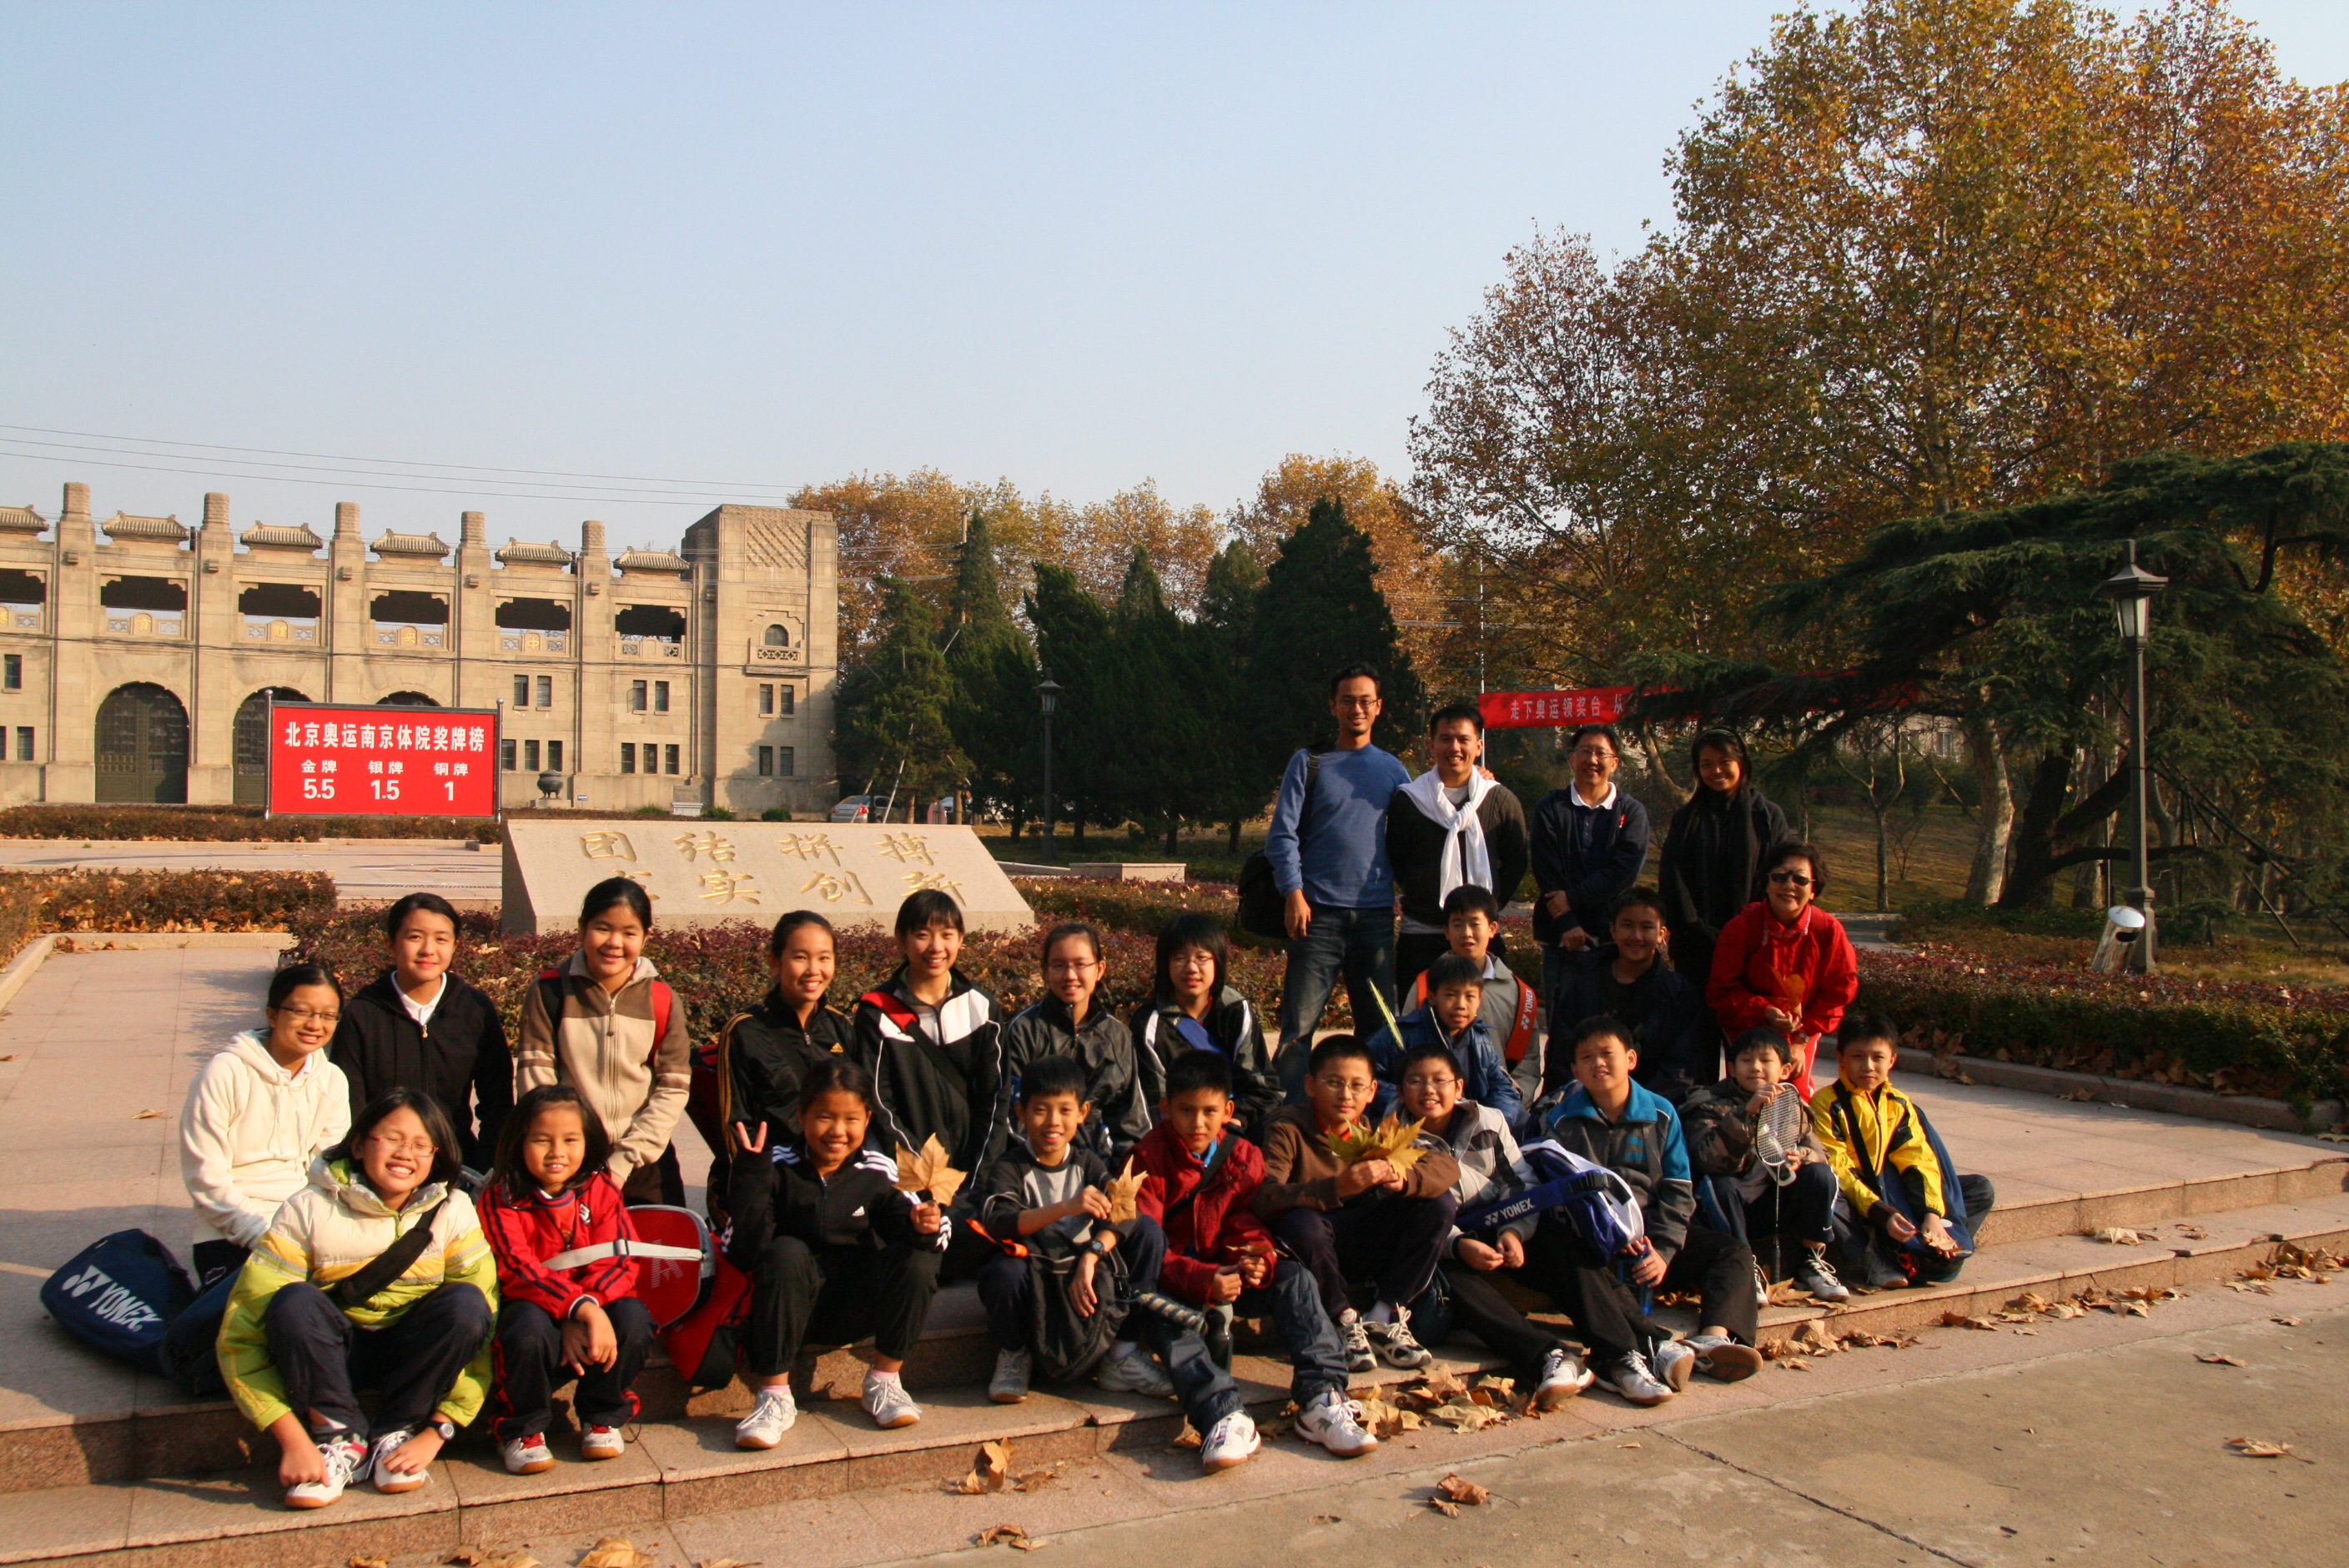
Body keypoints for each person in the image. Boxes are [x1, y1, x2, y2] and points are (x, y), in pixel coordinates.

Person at [216, 1089, 496, 1510]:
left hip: (411, 1355)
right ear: (361, 1142)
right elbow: (243, 1335)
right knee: (294, 1303)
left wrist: (437, 1432)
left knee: (468, 1305)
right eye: (392, 1139)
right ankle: (336, 1437)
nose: (406, 1154)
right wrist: (291, 1438)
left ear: (436, 1156)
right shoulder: (307, 1208)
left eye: (421, 1145)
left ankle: (394, 1433)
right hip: (333, 1351)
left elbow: (483, 1328)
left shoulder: (454, 1209)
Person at [1129, 1051, 1377, 1465]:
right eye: (1186, 1111)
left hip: (1231, 1273)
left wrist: (1255, 1256)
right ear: (1165, 1107)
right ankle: (1222, 1416)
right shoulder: (1146, 1159)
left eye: (1210, 1111)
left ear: (1228, 1110)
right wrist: (1202, 1278)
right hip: (1175, 1281)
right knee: (1164, 1317)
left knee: (1294, 1277)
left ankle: (1322, 1398)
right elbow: (1144, 1246)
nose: (1198, 1123)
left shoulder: (1243, 1155)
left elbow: (1245, 1216)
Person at [1531, 1018, 1763, 1407]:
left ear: (1632, 1059)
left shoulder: (1661, 1113)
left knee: (1731, 1253)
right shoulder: (1560, 1120)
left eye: (1608, 1054)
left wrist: (1664, 1250)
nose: (1598, 1064)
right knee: (1575, 1259)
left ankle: (1714, 1340)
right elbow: (1556, 1194)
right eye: (1586, 1058)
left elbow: (1678, 1188)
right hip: (1598, 1242)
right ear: (1574, 1070)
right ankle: (1644, 1349)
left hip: (1652, 1238)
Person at [725, 1058, 948, 1447]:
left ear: (867, 1119)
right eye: (825, 1117)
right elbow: (739, 1250)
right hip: (786, 1307)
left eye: (851, 1120)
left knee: (920, 1255)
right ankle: (775, 1396)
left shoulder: (878, 1170)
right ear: (801, 1116)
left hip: (854, 1305)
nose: (838, 1132)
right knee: (786, 1251)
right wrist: (751, 1181)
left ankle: (884, 1383)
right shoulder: (776, 1166)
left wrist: (922, 1225)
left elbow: (931, 1235)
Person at [1393, 1040, 1590, 1408]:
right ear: (1401, 1091)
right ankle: (1549, 1356)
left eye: (1439, 1080)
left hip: (1500, 1225)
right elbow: (1408, 1214)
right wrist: (1459, 1244)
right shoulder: (1391, 1138)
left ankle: (1632, 1347)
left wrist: (1513, 1231)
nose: (1428, 1090)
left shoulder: (1489, 1120)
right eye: (1416, 1081)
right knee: (1451, 1277)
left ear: (1459, 1086)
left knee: (1560, 1241)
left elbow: (1520, 1183)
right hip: (1442, 1241)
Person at [477, 1085, 658, 1474]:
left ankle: (602, 1414)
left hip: (591, 1303)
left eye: (570, 1140)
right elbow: (517, 1268)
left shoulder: (600, 1186)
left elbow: (621, 1256)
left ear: (588, 1141)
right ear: (518, 1142)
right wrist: (576, 1309)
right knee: (525, 1328)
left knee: (633, 1317)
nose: (557, 1152)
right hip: (532, 1306)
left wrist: (587, 1307)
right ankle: (521, 1428)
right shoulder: (501, 1196)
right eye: (542, 1140)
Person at [1254, 1033, 1459, 1375]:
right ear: (1310, 1084)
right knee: (1302, 1220)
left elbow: (1445, 1166)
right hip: (1308, 1251)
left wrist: (1402, 1178)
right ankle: (1341, 1320)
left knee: (1438, 1204)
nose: (1345, 1095)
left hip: (1357, 1243)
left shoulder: (1371, 1134)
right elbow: (1264, 1195)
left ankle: (1384, 1315)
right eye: (1334, 1083)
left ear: (1372, 1091)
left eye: (1356, 1085)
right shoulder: (1287, 1127)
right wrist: (1335, 1188)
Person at [974, 1055, 1171, 1403]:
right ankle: (1015, 1354)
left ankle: (1121, 1355)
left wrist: (1094, 1255)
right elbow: (1001, 1222)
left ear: (1082, 1113)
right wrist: (1066, 1207)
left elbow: (1125, 1211)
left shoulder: (1088, 1162)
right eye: (1040, 1110)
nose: (1053, 1122)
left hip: (1083, 1271)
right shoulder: (1010, 1166)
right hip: (1036, 1270)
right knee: (1002, 1272)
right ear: (1020, 1114)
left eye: (1065, 1111)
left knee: (1149, 1233)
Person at [1265, 664, 1412, 1098]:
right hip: (1318, 917)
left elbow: (1426, 818)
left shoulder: (1392, 770)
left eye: (1366, 700)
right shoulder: (1309, 762)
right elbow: (1282, 834)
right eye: (1347, 699)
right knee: (1297, 1030)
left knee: (1381, 1030)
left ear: (1379, 707)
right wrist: (1293, 892)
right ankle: (1290, 1120)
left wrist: (1479, 780)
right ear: (1333, 706)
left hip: (1376, 920)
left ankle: (1377, 1118)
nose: (1357, 708)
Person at [516, 878, 692, 1207]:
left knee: (655, 1256)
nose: (614, 942)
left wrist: (625, 1161)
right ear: (582, 928)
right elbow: (536, 1083)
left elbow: (673, 1088)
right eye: (603, 928)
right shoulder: (550, 992)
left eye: (629, 933)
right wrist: (565, 1146)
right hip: (568, 1164)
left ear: (646, 937)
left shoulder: (661, 999)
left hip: (645, 1166)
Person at [181, 963, 353, 1289]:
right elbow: (206, 1178)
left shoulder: (331, 1080)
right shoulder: (224, 1074)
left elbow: (329, 1169)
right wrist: (264, 1237)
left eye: (328, 1015)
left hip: (303, 1223)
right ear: (272, 1015)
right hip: (230, 1231)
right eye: (302, 1011)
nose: (315, 1024)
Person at [1812, 1011, 1996, 1290]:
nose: (1868, 1066)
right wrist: (1880, 1212)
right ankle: (1872, 1258)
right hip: (1859, 1201)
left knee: (1980, 1189)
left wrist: (1932, 1215)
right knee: (1824, 1189)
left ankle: (1931, 1247)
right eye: (1858, 1057)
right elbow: (1839, 1168)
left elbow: (1917, 1159)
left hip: (1894, 1195)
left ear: (1892, 1060)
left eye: (1878, 1057)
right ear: (1841, 1058)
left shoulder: (1899, 1104)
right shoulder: (1827, 1103)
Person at [329, 892, 512, 1171]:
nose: (428, 949)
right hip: (384, 1165)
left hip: (457, 1162)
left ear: (454, 946)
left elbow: (497, 1103)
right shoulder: (363, 1014)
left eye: (441, 939)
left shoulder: (474, 1010)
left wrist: (487, 1169)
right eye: (415, 937)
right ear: (391, 943)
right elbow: (351, 1107)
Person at [1682, 1029, 1849, 1300]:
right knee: (1718, 1184)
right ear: (1732, 1068)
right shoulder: (1709, 1104)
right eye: (1747, 1061)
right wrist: (1746, 1115)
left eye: (1765, 1061)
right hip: (1725, 1209)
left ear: (1784, 1069)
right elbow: (1708, 1160)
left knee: (1821, 1174)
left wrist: (1803, 1156)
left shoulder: (1791, 1103)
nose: (1756, 1068)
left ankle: (1811, 1260)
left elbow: (1821, 1152)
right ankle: (1745, 1268)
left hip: (1773, 1203)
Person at [854, 889, 1005, 1181]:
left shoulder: (983, 1010)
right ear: (901, 939)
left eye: (947, 935)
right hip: (907, 1178)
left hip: (973, 1173)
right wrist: (925, 1173)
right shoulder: (877, 1013)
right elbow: (879, 1103)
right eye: (922, 935)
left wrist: (977, 1175)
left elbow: (996, 1099)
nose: (936, 947)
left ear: (961, 938)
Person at [712, 910, 855, 1216]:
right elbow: (735, 1125)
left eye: (824, 958)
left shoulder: (841, 1028)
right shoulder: (745, 1031)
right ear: (774, 960)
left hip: (834, 1185)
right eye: (800, 957)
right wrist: (759, 1184)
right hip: (772, 1188)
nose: (813, 970)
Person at [1387, 701, 1529, 993]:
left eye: (1464, 739)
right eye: (1445, 739)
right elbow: (1397, 858)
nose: (1455, 747)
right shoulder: (1409, 800)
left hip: (1480, 934)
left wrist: (1489, 908)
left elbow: (1516, 861)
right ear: (1432, 744)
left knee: (1488, 1018)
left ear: (1478, 746)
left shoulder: (1499, 799)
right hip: (1422, 932)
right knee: (1419, 1018)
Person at [1706, 842, 1859, 1099]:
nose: (1789, 886)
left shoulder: (1828, 930)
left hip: (1802, 1029)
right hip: (1747, 1025)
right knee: (1746, 1090)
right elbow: (1721, 990)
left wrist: (1801, 1039)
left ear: (1814, 890)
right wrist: (1763, 1011)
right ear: (1766, 883)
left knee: (1794, 1094)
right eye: (1779, 877)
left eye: (1800, 879)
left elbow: (1839, 991)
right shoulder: (1742, 927)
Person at [998, 923, 1149, 1169]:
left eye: (1081, 965)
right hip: (1035, 1170)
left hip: (1103, 1170)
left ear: (1100, 969)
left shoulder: (1117, 1036)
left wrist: (1120, 1176)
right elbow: (1013, 1118)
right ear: (1045, 971)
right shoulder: (1024, 1030)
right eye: (1059, 965)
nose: (1070, 975)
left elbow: (1131, 1121)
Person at [1528, 723, 1651, 1028]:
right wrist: (1568, 923)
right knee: (1562, 1029)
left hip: (1612, 942)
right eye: (1585, 751)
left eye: (1601, 753)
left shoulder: (1631, 812)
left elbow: (1623, 873)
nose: (1592, 760)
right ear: (1572, 758)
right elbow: (1547, 869)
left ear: (1615, 763)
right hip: (1561, 940)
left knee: (1611, 1031)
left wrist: (1572, 899)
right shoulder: (1550, 807)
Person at [1546, 890, 1711, 1108]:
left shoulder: (1679, 994)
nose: (1636, 936)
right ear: (1613, 929)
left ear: (1662, 934)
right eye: (1627, 925)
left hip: (1651, 1110)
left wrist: (1635, 1107)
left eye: (1647, 927)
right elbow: (1562, 1054)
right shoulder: (1583, 981)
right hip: (1582, 1105)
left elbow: (1679, 1069)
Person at [1658, 729, 1793, 988]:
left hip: (1755, 941)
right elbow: (1672, 873)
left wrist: (1747, 928)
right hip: (1696, 946)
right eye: (1706, 765)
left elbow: (1780, 874)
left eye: (1724, 762)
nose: (1716, 771)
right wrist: (1695, 926)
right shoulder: (1687, 818)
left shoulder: (1767, 816)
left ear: (1741, 762)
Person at [1129, 912, 1282, 1138]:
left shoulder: (1236, 1011)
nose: (1191, 968)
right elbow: (1154, 1102)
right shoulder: (1148, 1023)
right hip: (1175, 1136)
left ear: (1217, 962)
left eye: (1202, 958)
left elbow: (1264, 1088)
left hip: (1234, 1129)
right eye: (1179, 958)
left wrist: (1236, 1121)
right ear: (1165, 964)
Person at [1405, 884, 1542, 1103]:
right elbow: (1405, 1050)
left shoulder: (1519, 993)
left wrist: (1513, 1104)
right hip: (1433, 1107)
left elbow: (1528, 1061)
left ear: (1492, 928)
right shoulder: (1425, 986)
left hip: (1499, 1109)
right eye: (1458, 925)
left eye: (1475, 924)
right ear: (1447, 931)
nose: (1466, 933)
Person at [1363, 952, 1523, 1129]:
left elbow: (1503, 1088)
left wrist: (1493, 1121)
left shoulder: (1481, 1040)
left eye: (1470, 996)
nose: (1460, 1005)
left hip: (1468, 1129)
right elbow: (1365, 1080)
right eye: (1450, 995)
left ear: (1479, 1000)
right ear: (1432, 997)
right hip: (1406, 1128)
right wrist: (1412, 1101)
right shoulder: (1399, 1036)